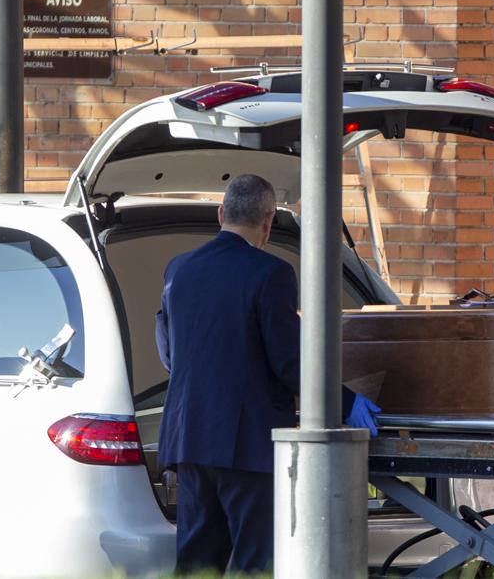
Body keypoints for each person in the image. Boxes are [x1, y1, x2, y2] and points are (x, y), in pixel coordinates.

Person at [154, 174, 381, 575]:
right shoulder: (271, 273)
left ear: (221, 213)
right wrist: (346, 402)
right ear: (269, 220)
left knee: (194, 564)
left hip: (189, 440)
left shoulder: (177, 269)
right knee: (254, 563)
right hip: (247, 446)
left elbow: (170, 353)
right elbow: (290, 362)